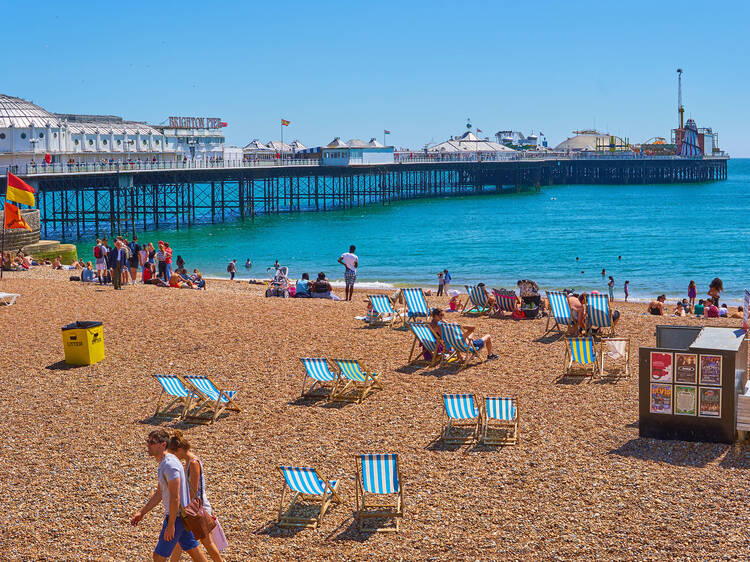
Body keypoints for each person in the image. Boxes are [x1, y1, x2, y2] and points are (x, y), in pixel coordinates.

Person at [130, 430, 208, 562]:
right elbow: (159, 493)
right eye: (148, 441)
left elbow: (175, 497)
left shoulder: (169, 465)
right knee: (195, 553)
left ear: (163, 444)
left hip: (177, 518)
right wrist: (141, 513)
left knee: (159, 557)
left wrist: (171, 524)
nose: (148, 445)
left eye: (152, 442)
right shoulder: (166, 463)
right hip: (183, 517)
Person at [167, 431, 227, 562]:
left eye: (174, 453)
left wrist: (181, 507)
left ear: (180, 449)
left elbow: (193, 491)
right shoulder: (188, 462)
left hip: (197, 508)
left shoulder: (193, 463)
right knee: (179, 542)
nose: (174, 457)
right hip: (192, 507)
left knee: (207, 543)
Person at [428, 308, 498, 360]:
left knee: (470, 336)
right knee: (488, 336)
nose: (442, 316)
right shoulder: (440, 326)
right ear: (435, 315)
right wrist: (460, 326)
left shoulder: (432, 325)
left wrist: (446, 323)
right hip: (464, 345)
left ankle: (462, 355)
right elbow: (473, 328)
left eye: (443, 315)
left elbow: (444, 334)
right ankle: (490, 355)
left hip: (454, 343)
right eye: (441, 315)